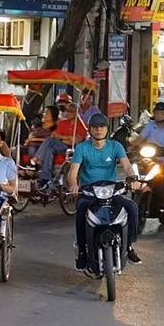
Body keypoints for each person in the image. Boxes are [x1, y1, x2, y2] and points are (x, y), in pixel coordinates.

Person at [68, 113, 142, 269]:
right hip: (89, 192)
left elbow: (127, 166)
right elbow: (73, 172)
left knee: (132, 207)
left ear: (107, 129)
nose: (98, 130)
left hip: (112, 190)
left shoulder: (116, 146)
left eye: (102, 127)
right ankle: (82, 250)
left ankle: (129, 246)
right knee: (81, 210)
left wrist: (133, 179)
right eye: (95, 127)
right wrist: (74, 185)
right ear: (90, 129)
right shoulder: (82, 148)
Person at [32, 102, 87, 191]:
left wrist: (63, 138)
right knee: (49, 149)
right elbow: (55, 135)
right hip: (60, 145)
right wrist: (68, 138)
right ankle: (46, 178)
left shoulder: (80, 125)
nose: (67, 113)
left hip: (72, 148)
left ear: (75, 113)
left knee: (49, 141)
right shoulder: (63, 123)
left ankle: (37, 158)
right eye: (66, 111)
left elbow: (76, 140)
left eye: (70, 111)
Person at [138, 101, 164, 210]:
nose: (159, 115)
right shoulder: (149, 126)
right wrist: (132, 146)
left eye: (162, 113)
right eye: (157, 113)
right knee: (137, 170)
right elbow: (140, 139)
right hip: (151, 158)